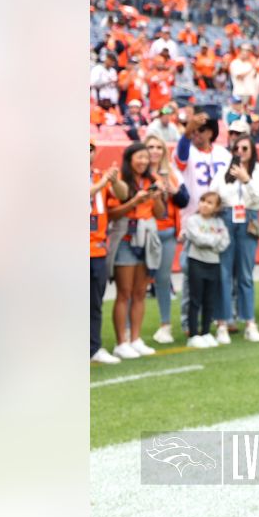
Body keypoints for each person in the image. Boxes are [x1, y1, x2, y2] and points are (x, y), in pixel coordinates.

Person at [174, 110, 233, 331]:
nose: (196, 135)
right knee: (192, 276)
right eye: (194, 131)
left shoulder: (222, 153)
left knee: (219, 274)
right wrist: (188, 129)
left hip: (218, 219)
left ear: (210, 132)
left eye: (200, 130)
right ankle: (188, 322)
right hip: (194, 218)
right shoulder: (187, 148)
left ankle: (218, 320)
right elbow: (179, 157)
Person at [108, 142, 167, 360]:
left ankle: (135, 338)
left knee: (140, 292)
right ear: (129, 159)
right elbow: (113, 214)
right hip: (125, 239)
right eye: (139, 157)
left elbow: (161, 214)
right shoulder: (120, 182)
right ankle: (120, 342)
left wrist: (157, 197)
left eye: (145, 157)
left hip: (147, 239)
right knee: (124, 292)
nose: (143, 161)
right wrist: (135, 201)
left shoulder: (153, 181)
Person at [211, 133, 259, 343]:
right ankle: (223, 322)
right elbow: (214, 195)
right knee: (224, 273)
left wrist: (246, 180)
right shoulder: (222, 172)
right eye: (237, 149)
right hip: (226, 218)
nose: (240, 153)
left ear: (253, 150)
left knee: (245, 274)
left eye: (245, 149)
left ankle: (249, 321)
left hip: (249, 218)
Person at [143, 135, 191, 345]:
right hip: (144, 232)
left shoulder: (171, 172)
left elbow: (183, 200)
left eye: (158, 147)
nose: (154, 151)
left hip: (167, 231)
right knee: (136, 283)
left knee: (163, 280)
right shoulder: (139, 173)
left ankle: (165, 325)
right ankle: (127, 330)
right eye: (150, 147)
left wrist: (172, 190)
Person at [91, 141, 128, 364]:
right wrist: (103, 182)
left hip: (96, 250)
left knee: (94, 302)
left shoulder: (98, 176)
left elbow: (122, 195)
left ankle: (93, 347)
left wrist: (114, 180)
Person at [183, 191, 230, 348]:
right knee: (195, 299)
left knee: (209, 300)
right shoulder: (193, 220)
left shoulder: (219, 223)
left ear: (216, 207)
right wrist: (214, 240)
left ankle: (206, 332)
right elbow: (197, 238)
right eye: (202, 200)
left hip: (213, 262)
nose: (204, 204)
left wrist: (212, 241)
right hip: (196, 261)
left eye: (210, 202)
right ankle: (193, 334)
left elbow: (225, 241)